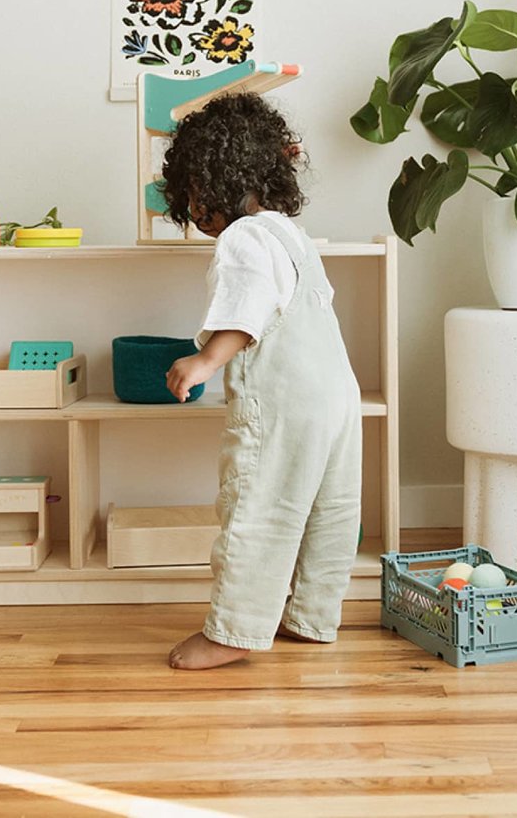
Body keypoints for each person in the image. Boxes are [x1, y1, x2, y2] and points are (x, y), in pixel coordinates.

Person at [160, 91, 362, 670]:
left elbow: (246, 310)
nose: (196, 213)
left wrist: (204, 362)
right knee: (329, 509)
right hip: (336, 399)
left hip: (284, 404)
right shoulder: (290, 233)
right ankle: (313, 615)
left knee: (260, 508)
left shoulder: (243, 238)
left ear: (212, 183)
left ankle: (232, 631)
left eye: (194, 198)